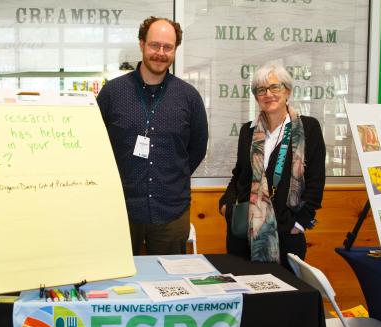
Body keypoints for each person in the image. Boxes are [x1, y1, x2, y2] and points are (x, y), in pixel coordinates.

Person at [97, 16, 208, 255]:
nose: (160, 53)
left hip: (171, 212)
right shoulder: (112, 93)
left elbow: (197, 147)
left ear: (175, 50)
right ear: (141, 45)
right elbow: (96, 146)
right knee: (118, 283)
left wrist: (172, 176)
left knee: (170, 284)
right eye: (154, 45)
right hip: (120, 211)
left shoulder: (189, 97)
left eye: (167, 47)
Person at [219, 61, 325, 271]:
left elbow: (316, 180)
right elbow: (239, 174)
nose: (268, 94)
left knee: (284, 299)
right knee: (247, 295)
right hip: (244, 232)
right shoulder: (247, 132)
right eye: (261, 90)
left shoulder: (308, 128)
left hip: (287, 233)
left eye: (275, 87)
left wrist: (300, 223)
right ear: (256, 96)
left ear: (288, 91)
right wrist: (226, 205)